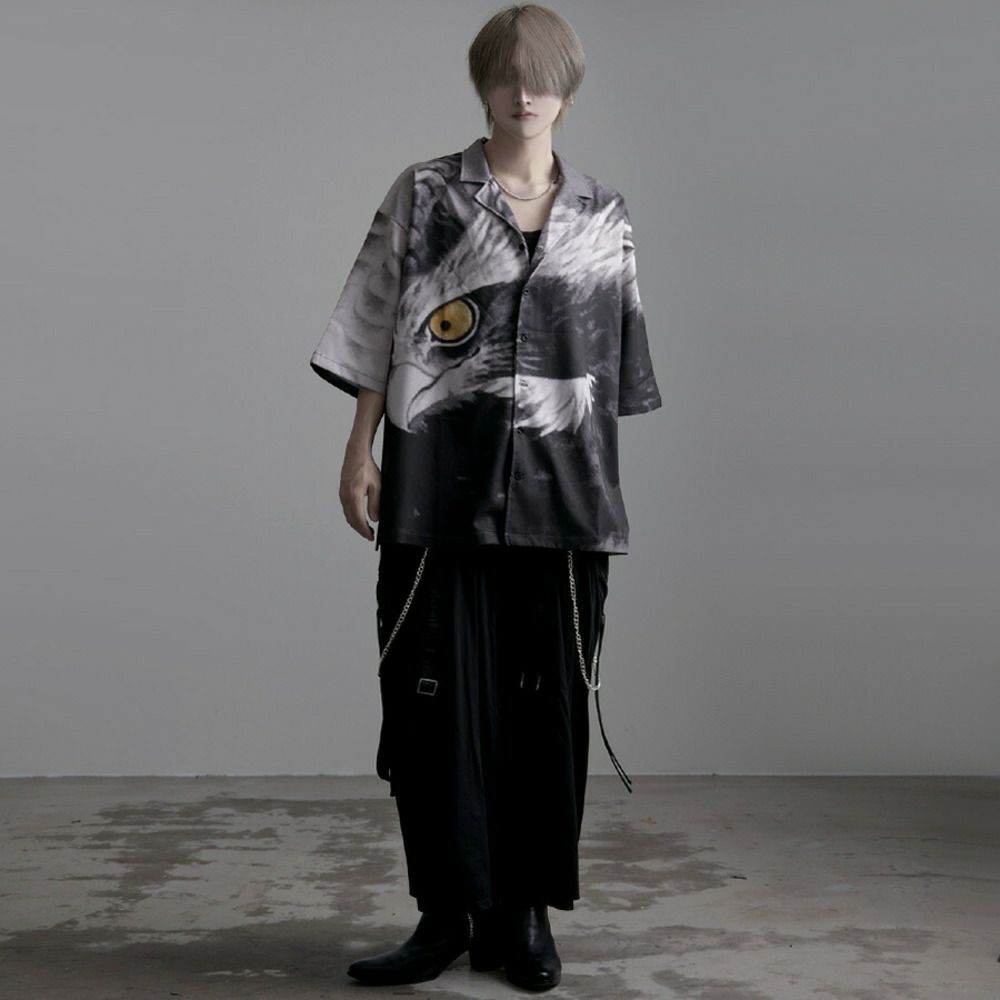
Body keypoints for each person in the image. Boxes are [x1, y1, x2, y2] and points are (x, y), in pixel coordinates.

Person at [308, 4, 662, 991]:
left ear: (567, 87)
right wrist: (359, 448)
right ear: (483, 83)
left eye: (541, 74)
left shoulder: (604, 214)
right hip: (436, 490)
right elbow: (377, 320)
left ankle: (525, 916)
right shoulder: (426, 194)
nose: (523, 91)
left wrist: (590, 485)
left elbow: (614, 370)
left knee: (545, 717)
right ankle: (444, 913)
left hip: (562, 506)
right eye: (506, 73)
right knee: (432, 711)